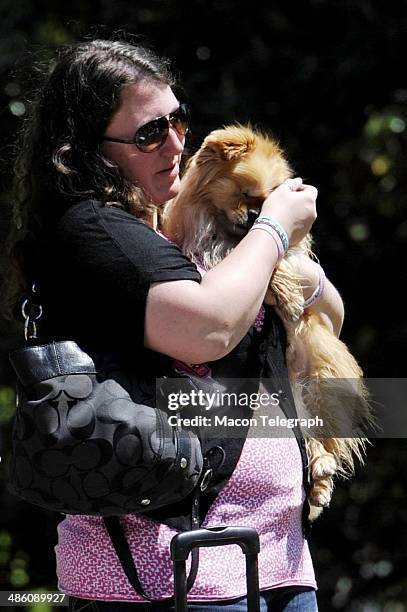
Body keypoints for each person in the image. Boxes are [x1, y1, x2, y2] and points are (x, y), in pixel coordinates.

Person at [5, 37, 344, 611]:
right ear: (88, 148)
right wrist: (275, 231)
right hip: (169, 576)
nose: (175, 143)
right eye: (148, 133)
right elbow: (207, 330)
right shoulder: (94, 231)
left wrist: (298, 277)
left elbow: (329, 317)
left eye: (177, 121)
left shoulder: (183, 223)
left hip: (273, 558)